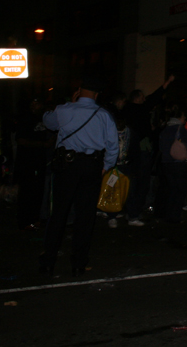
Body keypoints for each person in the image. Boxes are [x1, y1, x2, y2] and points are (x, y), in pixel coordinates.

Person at [39, 74, 118, 277]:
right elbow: (113, 146)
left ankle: (48, 261)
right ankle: (79, 263)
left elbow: (48, 122)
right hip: (91, 166)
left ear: (80, 90)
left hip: (67, 165)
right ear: (97, 94)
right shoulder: (103, 114)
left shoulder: (65, 110)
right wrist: (106, 166)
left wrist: (69, 103)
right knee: (85, 216)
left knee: (59, 214)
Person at [122, 74, 175, 227]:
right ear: (138, 98)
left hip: (129, 150)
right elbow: (154, 97)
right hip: (141, 150)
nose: (145, 100)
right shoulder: (139, 109)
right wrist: (167, 82)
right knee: (141, 183)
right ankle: (134, 214)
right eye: (142, 98)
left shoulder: (126, 110)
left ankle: (130, 211)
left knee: (132, 182)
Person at [15, 99, 53, 231]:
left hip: (40, 160)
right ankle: (25, 220)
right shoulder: (25, 119)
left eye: (37, 102)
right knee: (27, 191)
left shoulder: (44, 118)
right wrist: (42, 144)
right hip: (27, 161)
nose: (35, 105)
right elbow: (21, 140)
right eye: (33, 102)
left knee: (39, 190)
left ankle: (35, 219)